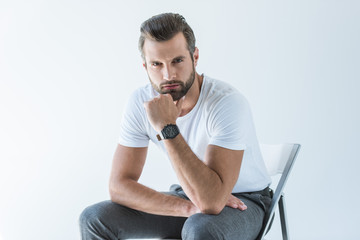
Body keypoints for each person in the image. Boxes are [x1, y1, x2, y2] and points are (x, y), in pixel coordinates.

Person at [79, 12, 272, 240]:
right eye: (156, 64)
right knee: (94, 218)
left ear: (195, 56)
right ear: (145, 66)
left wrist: (167, 127)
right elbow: (119, 186)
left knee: (201, 229)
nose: (168, 74)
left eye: (177, 61)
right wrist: (187, 208)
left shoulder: (226, 103)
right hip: (189, 196)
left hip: (246, 201)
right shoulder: (140, 103)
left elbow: (211, 202)